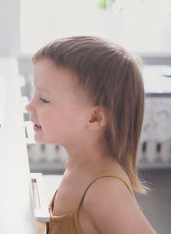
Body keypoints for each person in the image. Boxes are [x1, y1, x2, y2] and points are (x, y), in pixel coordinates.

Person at [25, 36, 156, 234]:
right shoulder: (77, 164)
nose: (29, 105)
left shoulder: (104, 191)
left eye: (44, 99)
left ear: (94, 118)